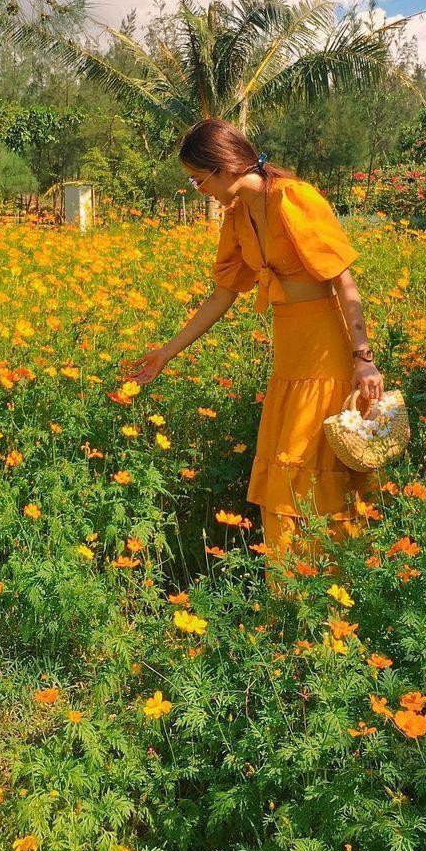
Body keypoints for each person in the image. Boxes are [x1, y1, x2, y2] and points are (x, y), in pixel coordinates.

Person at [122, 117, 384, 591]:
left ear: (223, 166)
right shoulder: (238, 215)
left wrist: (363, 358)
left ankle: (336, 596)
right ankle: (290, 596)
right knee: (283, 479)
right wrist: (166, 353)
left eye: (198, 179)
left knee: (319, 475)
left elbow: (344, 283)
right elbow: (223, 294)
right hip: (289, 360)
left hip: (328, 354)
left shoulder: (294, 198)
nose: (199, 190)